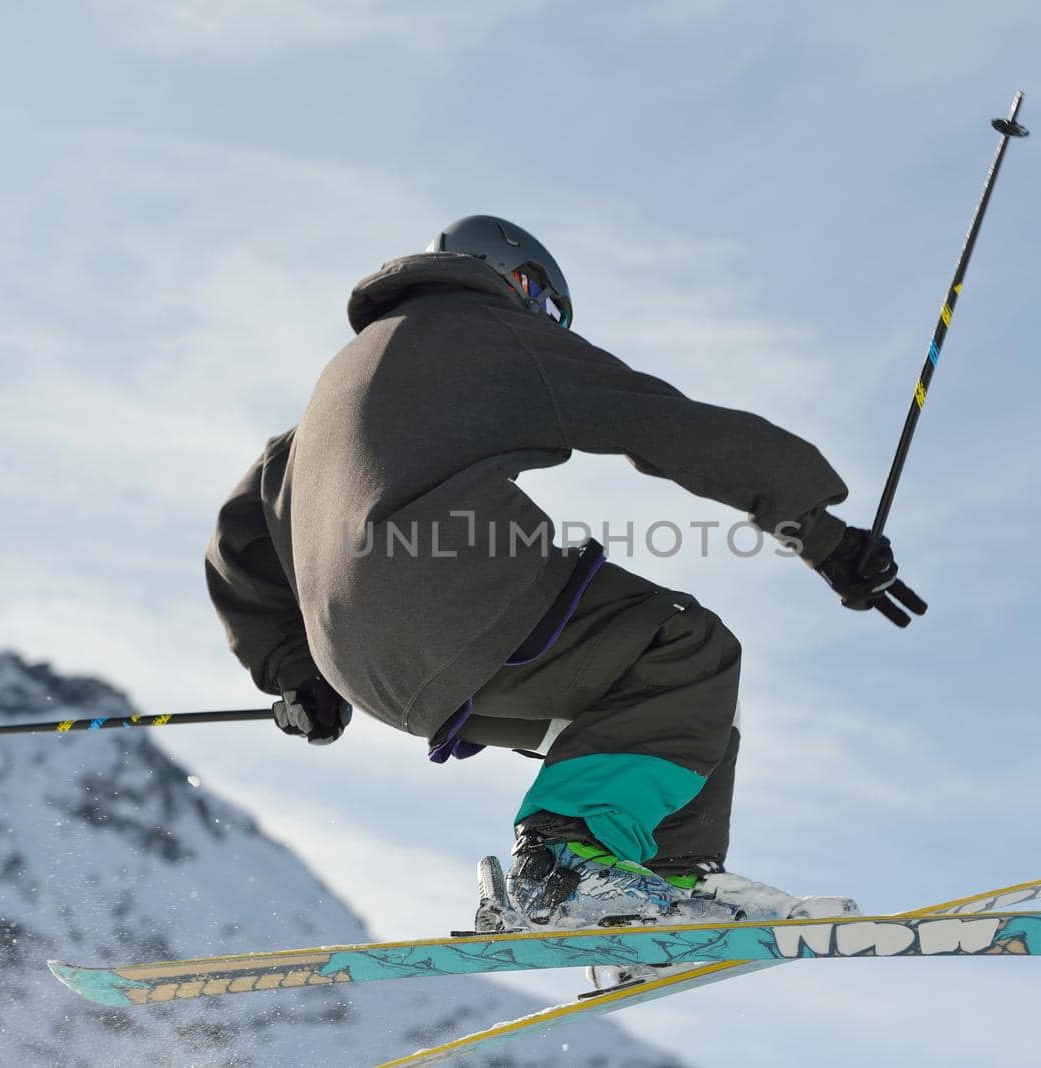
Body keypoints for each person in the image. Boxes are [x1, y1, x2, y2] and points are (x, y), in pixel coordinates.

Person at [204, 215, 925, 960]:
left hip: (366, 667)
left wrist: (299, 674)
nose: (548, 328)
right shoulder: (481, 325)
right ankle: (568, 863)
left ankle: (655, 884)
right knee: (685, 648)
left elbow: (237, 541)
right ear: (515, 280)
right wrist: (822, 534)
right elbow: (662, 422)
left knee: (666, 712)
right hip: (455, 599)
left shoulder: (325, 399)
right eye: (550, 312)